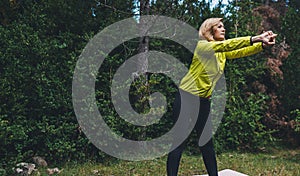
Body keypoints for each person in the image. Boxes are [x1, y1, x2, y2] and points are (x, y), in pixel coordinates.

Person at [166, 18, 277, 176]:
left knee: (207, 144)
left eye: (223, 26)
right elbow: (228, 44)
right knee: (179, 143)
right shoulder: (203, 46)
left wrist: (262, 45)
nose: (223, 29)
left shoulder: (221, 53)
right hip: (186, 98)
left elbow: (239, 51)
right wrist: (255, 38)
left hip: (203, 101)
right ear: (210, 31)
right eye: (219, 27)